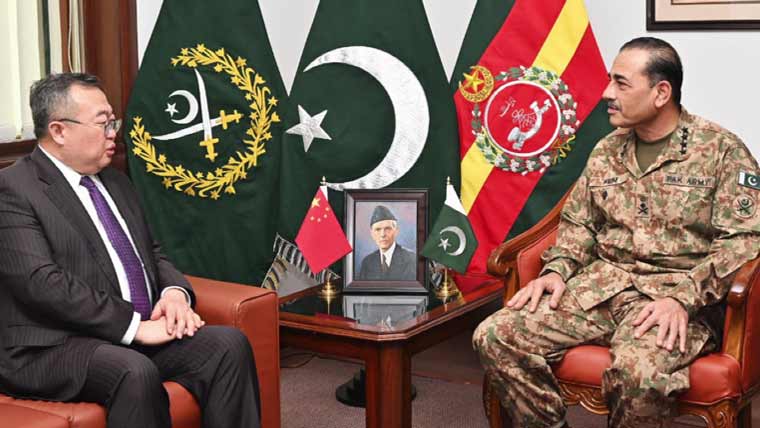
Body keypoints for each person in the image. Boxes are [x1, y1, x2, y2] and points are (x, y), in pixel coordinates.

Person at [473, 37, 760, 428]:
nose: (607, 93)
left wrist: (683, 298)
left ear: (661, 93)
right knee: (495, 334)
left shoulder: (721, 151)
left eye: (621, 83)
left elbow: (743, 241)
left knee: (637, 372)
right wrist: (557, 269)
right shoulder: (606, 151)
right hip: (602, 288)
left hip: (675, 300)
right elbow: (579, 223)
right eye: (610, 80)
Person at [0, 73, 261, 428]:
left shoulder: (115, 181)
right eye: (103, 124)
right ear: (59, 131)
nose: (113, 133)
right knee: (133, 370)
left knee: (228, 345)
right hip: (51, 346)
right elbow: (41, 283)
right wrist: (133, 327)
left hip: (124, 335)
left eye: (114, 122)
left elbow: (150, 252)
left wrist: (173, 293)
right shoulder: (14, 189)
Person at [357, 205, 417, 280]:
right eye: (378, 229)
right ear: (372, 234)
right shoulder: (367, 262)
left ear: (396, 231)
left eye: (387, 229)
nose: (383, 234)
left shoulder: (411, 259)